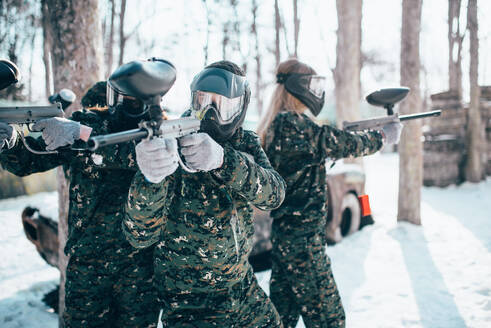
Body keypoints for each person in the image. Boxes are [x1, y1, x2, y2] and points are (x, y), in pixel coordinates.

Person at [123, 60, 286, 327]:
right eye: (203, 101)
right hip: (189, 303)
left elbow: (274, 194)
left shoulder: (243, 142)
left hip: (242, 288)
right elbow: (139, 235)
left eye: (221, 105)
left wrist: (225, 160)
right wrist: (151, 178)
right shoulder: (170, 141)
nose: (210, 113)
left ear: (240, 107)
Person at [0, 76, 162, 327]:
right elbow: (30, 159)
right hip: (88, 264)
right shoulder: (78, 129)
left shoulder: (151, 132)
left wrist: (83, 133)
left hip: (139, 268)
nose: (98, 117)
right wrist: (12, 143)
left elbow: (136, 154)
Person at [256, 58, 402, 328]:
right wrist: (382, 137)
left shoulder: (276, 125)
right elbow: (341, 142)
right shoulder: (293, 124)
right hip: (304, 246)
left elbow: (314, 153)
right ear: (298, 88)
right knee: (330, 320)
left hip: (284, 240)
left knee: (282, 320)